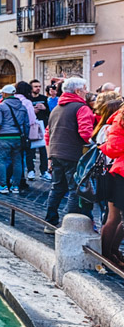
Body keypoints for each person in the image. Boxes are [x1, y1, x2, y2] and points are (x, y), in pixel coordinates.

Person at [43, 77, 95, 233]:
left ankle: (50, 223)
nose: (86, 91)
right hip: (73, 155)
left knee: (57, 188)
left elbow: (48, 134)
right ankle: (69, 226)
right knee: (74, 190)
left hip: (56, 153)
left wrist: (49, 156)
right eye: (85, 88)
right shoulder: (81, 108)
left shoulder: (56, 109)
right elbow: (86, 133)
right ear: (78, 91)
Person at [0, 85, 29, 194]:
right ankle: (15, 186)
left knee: (1, 160)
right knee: (17, 161)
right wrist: (26, 136)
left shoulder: (0, 106)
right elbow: (27, 124)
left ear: (5, 94)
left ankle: (3, 185)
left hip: (4, 137)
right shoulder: (22, 107)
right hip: (18, 137)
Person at [100, 106, 124, 266]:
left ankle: (110, 253)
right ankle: (107, 254)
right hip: (120, 173)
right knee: (114, 218)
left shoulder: (119, 117)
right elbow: (115, 148)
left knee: (114, 217)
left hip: (119, 171)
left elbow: (114, 148)